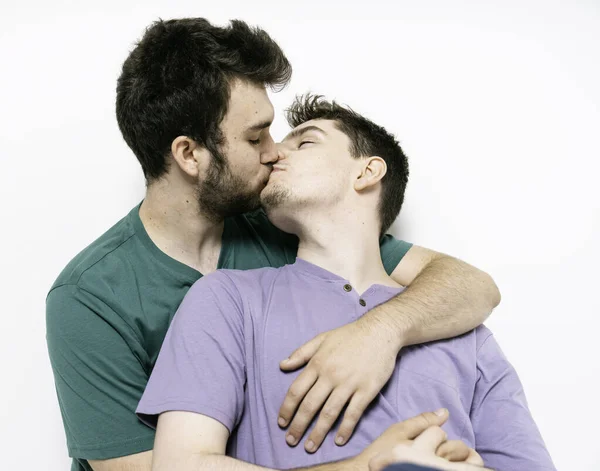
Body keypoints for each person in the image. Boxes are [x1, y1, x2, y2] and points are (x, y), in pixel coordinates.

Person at [46, 18, 500, 471]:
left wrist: (378, 334)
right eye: (254, 136)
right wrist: (370, 467)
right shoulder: (88, 298)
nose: (274, 150)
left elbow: (471, 287)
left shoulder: (285, 224)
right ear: (189, 155)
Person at [136, 95, 555, 471]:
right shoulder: (226, 299)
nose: (272, 154)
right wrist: (366, 467)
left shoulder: (466, 333)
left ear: (368, 171)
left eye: (304, 142)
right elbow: (178, 465)